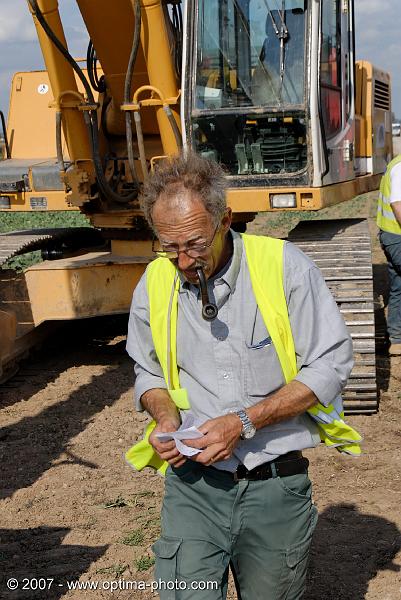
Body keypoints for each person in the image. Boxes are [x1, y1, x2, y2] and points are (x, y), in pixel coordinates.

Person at [126, 152, 360, 599]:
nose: (181, 261)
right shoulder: (155, 282)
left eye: (194, 244)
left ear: (225, 219)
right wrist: (165, 418)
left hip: (275, 488)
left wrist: (245, 421)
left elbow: (329, 365)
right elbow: (148, 371)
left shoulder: (283, 266)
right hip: (194, 489)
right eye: (168, 246)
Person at [377, 154, 401, 355]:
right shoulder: (400, 167)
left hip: (392, 236)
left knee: (399, 287)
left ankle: (397, 340)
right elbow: (397, 204)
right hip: (397, 237)